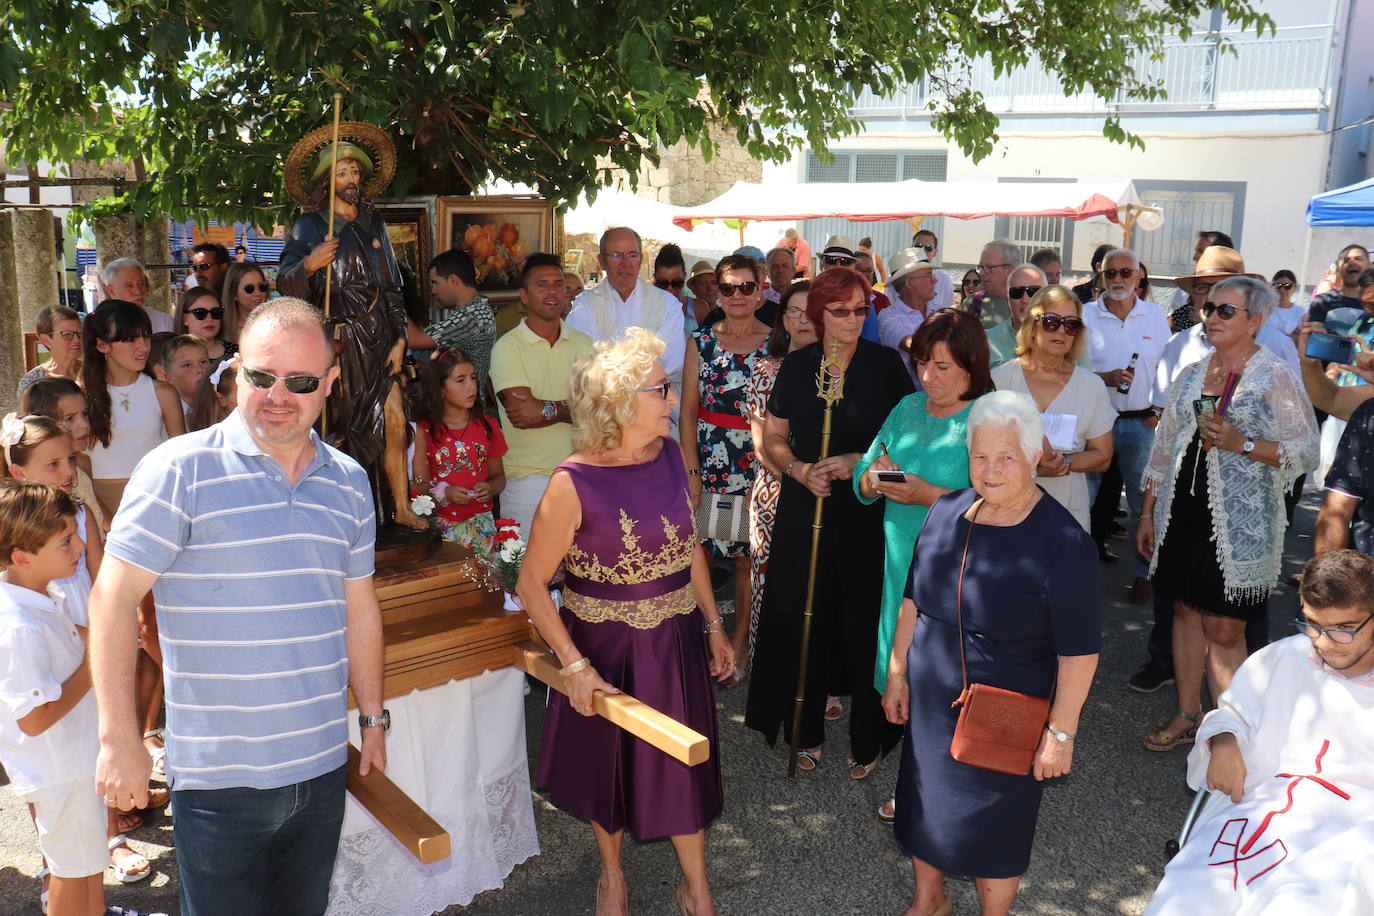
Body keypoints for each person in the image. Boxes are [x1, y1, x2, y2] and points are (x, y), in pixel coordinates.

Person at [89, 297, 387, 916]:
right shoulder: (178, 470)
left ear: (329, 384)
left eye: (301, 382)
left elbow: (359, 609)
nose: (279, 395)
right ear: (235, 373)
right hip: (219, 781)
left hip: (321, 767)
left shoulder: (350, 481)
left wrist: (374, 719)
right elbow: (113, 602)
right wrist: (119, 737)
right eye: (261, 376)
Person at [518, 327, 732, 916]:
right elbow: (531, 586)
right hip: (604, 649)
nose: (671, 399)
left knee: (680, 761)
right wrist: (575, 666)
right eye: (659, 389)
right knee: (604, 766)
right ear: (618, 404)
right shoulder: (572, 483)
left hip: (675, 640)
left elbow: (689, 546)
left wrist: (714, 625)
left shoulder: (669, 454)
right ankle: (611, 875)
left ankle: (697, 886)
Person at [881, 391, 1100, 916]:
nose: (991, 469)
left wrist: (1061, 733)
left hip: (1008, 714)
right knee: (924, 804)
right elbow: (912, 599)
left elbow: (1079, 651)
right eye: (980, 456)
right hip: (933, 702)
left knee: (996, 827)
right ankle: (929, 900)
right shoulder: (946, 511)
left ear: (1033, 455)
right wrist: (895, 673)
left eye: (1006, 456)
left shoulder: (1063, 542)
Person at [1138, 277, 1319, 752]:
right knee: (1182, 607)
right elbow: (1164, 446)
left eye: (1225, 311)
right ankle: (1187, 712)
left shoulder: (1273, 374)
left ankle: (1231, 732)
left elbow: (1306, 451)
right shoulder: (1192, 372)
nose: (1211, 317)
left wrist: (1245, 444)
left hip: (1240, 518)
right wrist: (1147, 512)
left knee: (1225, 625)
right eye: (1210, 309)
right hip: (1183, 509)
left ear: (1255, 321)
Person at [745, 267, 913, 776]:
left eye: (862, 310)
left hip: (866, 510)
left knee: (863, 618)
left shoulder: (886, 366)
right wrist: (796, 469)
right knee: (805, 614)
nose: (852, 320)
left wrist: (857, 460)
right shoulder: (796, 368)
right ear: (819, 313)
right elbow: (773, 437)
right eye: (841, 311)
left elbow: (906, 445)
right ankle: (805, 729)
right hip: (805, 505)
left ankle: (868, 737)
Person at [1144, 549, 1374, 916]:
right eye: (1313, 624)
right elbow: (1230, 714)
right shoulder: (1289, 655)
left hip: (1352, 832)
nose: (1326, 642)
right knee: (1189, 895)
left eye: (1345, 629)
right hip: (1261, 804)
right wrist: (1223, 743)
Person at [1, 416, 165, 888]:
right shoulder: (18, 567)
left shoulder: (80, 517)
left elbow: (101, 579)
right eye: (52, 463)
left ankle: (105, 838)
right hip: (53, 645)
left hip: (79, 628)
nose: (66, 470)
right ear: (18, 472)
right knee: (56, 770)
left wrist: (110, 631)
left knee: (96, 736)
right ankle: (64, 866)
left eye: (69, 459)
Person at [858, 309, 990, 700]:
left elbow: (1002, 504)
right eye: (921, 364)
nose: (928, 376)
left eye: (942, 366)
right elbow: (866, 469)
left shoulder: (988, 416)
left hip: (958, 568)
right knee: (897, 669)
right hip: (899, 562)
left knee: (944, 681)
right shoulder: (908, 407)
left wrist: (927, 495)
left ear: (971, 364)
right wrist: (872, 477)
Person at [681, 254, 771, 672]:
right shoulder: (700, 340)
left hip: (759, 462)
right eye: (728, 287)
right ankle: (699, 638)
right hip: (710, 461)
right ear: (717, 291)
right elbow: (686, 413)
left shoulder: (777, 342)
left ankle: (740, 643)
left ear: (761, 290)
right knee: (695, 551)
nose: (736, 295)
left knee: (746, 556)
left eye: (745, 287)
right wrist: (692, 470)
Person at [1082, 248, 1170, 605]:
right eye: (1111, 273)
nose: (1117, 280)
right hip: (1095, 424)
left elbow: (1167, 368)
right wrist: (1104, 377)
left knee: (1143, 504)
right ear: (1101, 276)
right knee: (1081, 501)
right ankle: (1075, 572)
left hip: (1140, 423)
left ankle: (1143, 572)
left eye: (1125, 273)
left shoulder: (1154, 316)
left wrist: (1158, 412)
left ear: (1139, 276)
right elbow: (1070, 369)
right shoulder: (1085, 315)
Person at [992, 286, 1115, 530]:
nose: (1061, 331)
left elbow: (1103, 456)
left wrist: (1063, 462)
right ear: (1032, 324)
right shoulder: (1001, 379)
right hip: (1008, 507)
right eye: (1051, 321)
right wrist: (1033, 466)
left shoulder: (1092, 386)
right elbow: (982, 449)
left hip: (1067, 511)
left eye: (1071, 324)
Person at [490, 253, 595, 538]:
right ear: (523, 296)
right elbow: (522, 415)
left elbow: (596, 411)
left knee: (582, 576)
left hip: (582, 475)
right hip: (526, 481)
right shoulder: (507, 348)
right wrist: (573, 408)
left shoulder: (585, 344)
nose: (553, 292)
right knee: (525, 577)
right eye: (542, 284)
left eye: (558, 284)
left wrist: (548, 409)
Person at [742, 281, 816, 684]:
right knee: (771, 586)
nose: (802, 319)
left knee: (816, 588)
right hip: (776, 492)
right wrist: (800, 478)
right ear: (782, 319)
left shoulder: (838, 370)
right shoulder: (766, 368)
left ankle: (817, 680)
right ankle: (771, 676)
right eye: (793, 311)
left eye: (810, 311)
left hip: (825, 492)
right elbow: (762, 445)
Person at [568, 228, 686, 431]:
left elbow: (672, 363)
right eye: (616, 255)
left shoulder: (667, 304)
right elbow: (584, 363)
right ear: (602, 261)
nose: (625, 263)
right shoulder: (583, 306)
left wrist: (613, 367)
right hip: (603, 425)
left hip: (658, 424)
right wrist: (645, 364)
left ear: (640, 259)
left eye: (632, 255)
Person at [81, 300, 186, 514]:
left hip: (154, 496)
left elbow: (181, 456)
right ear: (102, 345)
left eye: (146, 336)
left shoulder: (163, 392)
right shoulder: (81, 394)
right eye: (130, 340)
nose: (143, 346)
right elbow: (74, 455)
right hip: (96, 500)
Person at [411, 348, 507, 562]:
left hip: (483, 527)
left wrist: (491, 488)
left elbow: (499, 478)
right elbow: (419, 491)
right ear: (440, 388)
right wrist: (445, 495)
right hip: (443, 531)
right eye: (460, 380)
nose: (471, 386)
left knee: (486, 590)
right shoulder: (423, 432)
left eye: (473, 378)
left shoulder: (488, 426)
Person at [21, 378, 108, 531]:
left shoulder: (83, 461)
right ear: (47, 425)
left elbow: (100, 513)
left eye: (85, 414)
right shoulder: (34, 472)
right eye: (69, 418)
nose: (84, 425)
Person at [406, 249, 498, 391]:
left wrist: (393, 300)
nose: (433, 291)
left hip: (468, 406)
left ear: (453, 280)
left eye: (436, 283)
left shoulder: (471, 317)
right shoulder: (476, 310)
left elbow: (415, 340)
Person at [878, 249, 940, 385]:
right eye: (929, 275)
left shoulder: (939, 311)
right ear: (909, 283)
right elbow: (913, 345)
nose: (935, 280)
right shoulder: (888, 317)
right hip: (906, 400)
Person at [151, 334, 217, 431]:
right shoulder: (163, 419)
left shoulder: (221, 405)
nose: (199, 370)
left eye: (203, 362)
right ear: (168, 377)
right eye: (187, 365)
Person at [986, 264, 1046, 368]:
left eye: (1033, 292)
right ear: (1007, 296)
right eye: (1017, 292)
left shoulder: (1062, 341)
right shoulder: (986, 342)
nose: (1025, 300)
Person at [17, 305, 84, 400]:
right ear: (46, 340)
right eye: (67, 335)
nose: (77, 340)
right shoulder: (32, 382)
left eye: (80, 333)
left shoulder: (95, 372)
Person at [102, 259, 174, 334]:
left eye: (142, 284)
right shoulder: (100, 326)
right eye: (129, 286)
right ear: (111, 291)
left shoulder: (164, 323)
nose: (138, 291)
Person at [1305, 243, 1367, 325]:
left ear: (1369, 265)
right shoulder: (1322, 301)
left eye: (1358, 259)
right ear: (1339, 268)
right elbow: (1314, 335)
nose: (1352, 263)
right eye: (1346, 260)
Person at [173, 286, 235, 361]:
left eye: (216, 312)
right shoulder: (172, 356)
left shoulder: (237, 354)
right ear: (184, 319)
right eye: (200, 313)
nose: (209, 319)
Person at [219, 261, 270, 345]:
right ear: (234, 294)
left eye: (262, 286)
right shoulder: (221, 332)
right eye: (249, 289)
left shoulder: (276, 326)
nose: (258, 293)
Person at [973, 240, 1021, 329]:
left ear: (1009, 270)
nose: (982, 273)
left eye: (989, 267)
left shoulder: (1029, 304)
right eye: (981, 267)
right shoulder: (972, 304)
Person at [653, 243, 697, 332]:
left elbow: (707, 345)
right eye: (663, 283)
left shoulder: (698, 309)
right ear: (655, 279)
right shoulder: (645, 309)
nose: (669, 289)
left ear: (684, 277)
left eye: (676, 283)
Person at [912, 229, 955, 310]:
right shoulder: (896, 279)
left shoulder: (944, 280)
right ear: (911, 248)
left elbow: (946, 312)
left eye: (928, 248)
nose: (922, 251)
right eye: (918, 246)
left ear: (935, 252)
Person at [1267, 269, 1303, 341]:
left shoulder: (1301, 312)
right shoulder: (1264, 309)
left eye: (1287, 286)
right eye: (1278, 285)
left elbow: (1302, 340)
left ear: (1294, 288)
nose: (1282, 290)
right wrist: (1291, 335)